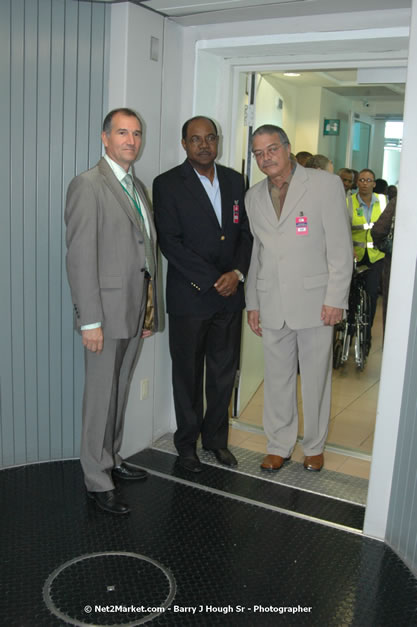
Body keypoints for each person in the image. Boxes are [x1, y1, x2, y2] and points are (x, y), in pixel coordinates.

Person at [65, 108, 160, 515]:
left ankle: (111, 458)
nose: (131, 140)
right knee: (100, 398)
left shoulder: (136, 185)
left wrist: (149, 311)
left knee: (118, 392)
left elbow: (144, 251)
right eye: (122, 133)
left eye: (136, 134)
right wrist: (90, 321)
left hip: (134, 312)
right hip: (103, 315)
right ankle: (95, 478)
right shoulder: (88, 185)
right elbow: (80, 257)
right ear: (105, 138)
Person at [245, 124, 352, 472]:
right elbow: (257, 254)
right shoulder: (253, 196)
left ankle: (314, 445)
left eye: (271, 149)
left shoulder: (324, 184)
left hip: (316, 301)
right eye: (258, 153)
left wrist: (336, 297)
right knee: (276, 379)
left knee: (316, 377)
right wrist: (253, 303)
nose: (266, 158)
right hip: (272, 300)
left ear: (287, 148)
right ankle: (279, 443)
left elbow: (339, 247)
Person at [153, 116, 252, 473]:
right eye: (195, 139)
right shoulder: (167, 184)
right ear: (184, 144)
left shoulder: (234, 180)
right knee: (188, 375)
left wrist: (237, 274)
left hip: (229, 297)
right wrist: (213, 279)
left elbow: (245, 235)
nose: (204, 145)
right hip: (191, 297)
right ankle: (187, 445)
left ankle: (216, 441)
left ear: (218, 141)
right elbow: (170, 243)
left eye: (210, 138)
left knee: (223, 373)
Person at [348, 168, 387, 343]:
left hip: (375, 255)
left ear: (374, 183)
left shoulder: (383, 201)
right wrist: (349, 249)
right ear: (357, 183)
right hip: (354, 255)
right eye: (361, 180)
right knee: (349, 294)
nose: (365, 183)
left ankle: (366, 335)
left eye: (368, 180)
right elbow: (342, 230)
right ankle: (349, 328)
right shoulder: (348, 202)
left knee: (371, 295)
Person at [371, 196, 397, 337]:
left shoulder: (399, 201)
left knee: (394, 316)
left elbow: (378, 232)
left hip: (397, 270)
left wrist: (395, 250)